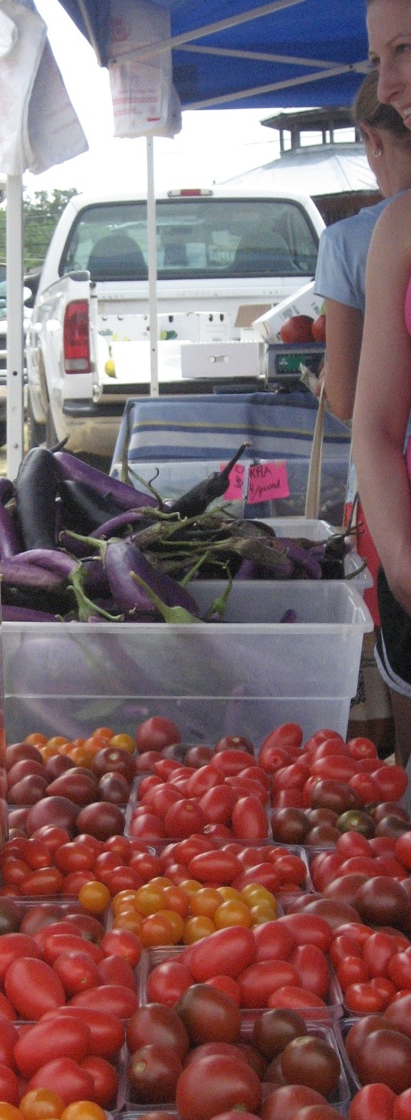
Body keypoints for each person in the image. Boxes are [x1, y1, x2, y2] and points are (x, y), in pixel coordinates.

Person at [313, 69, 411, 757]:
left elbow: (349, 401)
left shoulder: (353, 239)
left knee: (397, 702)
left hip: (392, 509)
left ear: (373, 141)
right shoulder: (393, 232)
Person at [351, 0, 411, 768]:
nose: (388, 83)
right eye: (377, 59)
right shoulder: (398, 229)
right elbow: (372, 424)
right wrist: (401, 558)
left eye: (407, 49)